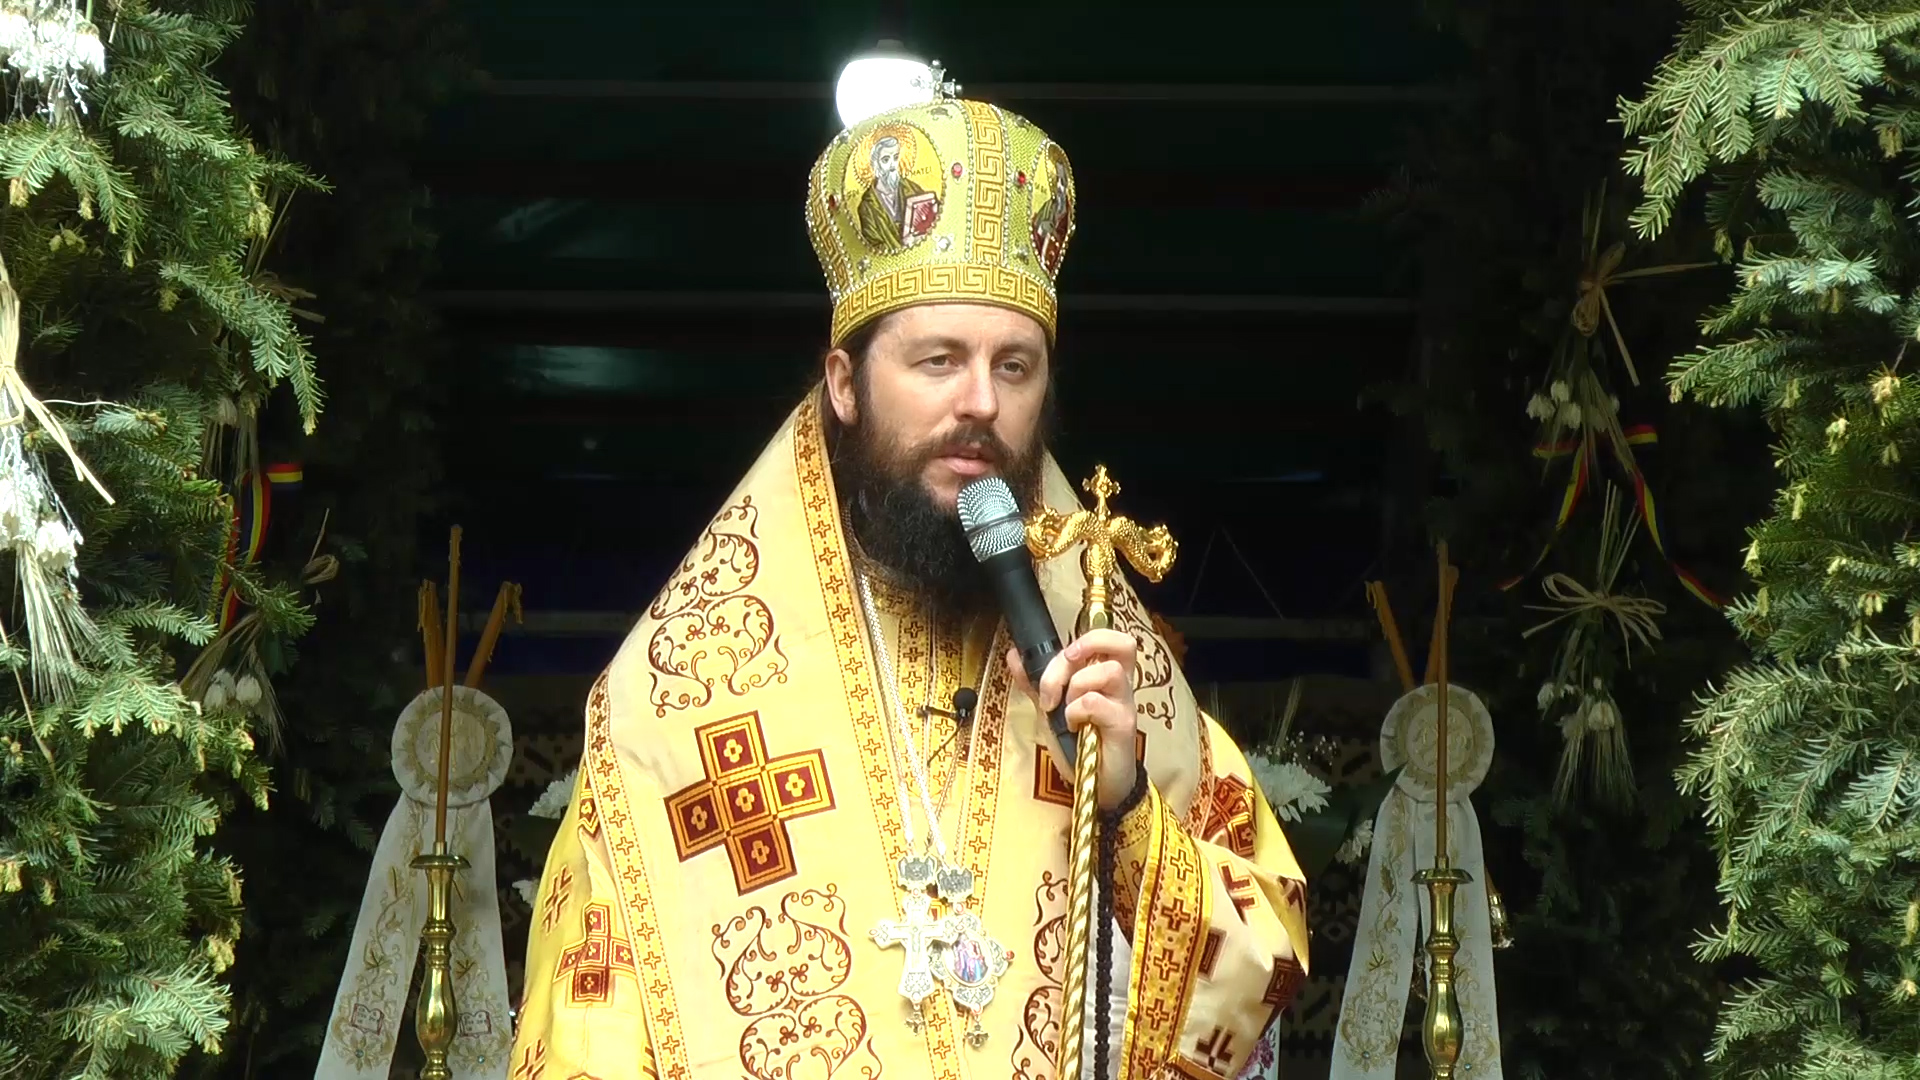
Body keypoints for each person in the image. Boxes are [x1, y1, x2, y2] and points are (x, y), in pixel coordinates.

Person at [510, 86, 1309, 1080]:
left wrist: (1128, 810)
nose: (981, 403)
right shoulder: (679, 708)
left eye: (1014, 367)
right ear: (844, 384)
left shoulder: (1113, 676)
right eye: (939, 361)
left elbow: (1262, 971)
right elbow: (590, 1027)